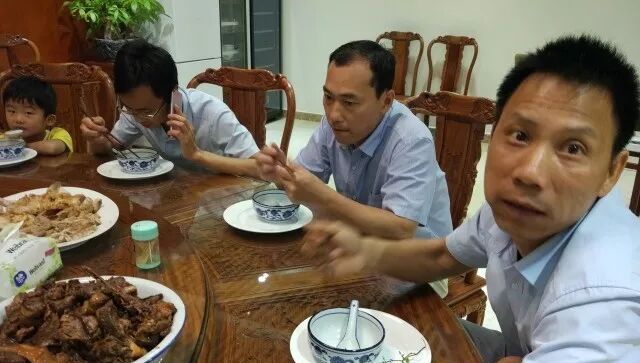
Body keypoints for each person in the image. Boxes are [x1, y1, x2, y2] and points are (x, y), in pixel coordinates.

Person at [303, 35, 640, 363]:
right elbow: (440, 256)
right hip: (519, 361)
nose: (530, 173)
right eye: (520, 135)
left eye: (572, 148)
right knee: (382, 339)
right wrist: (366, 250)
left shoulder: (602, 292)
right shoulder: (508, 215)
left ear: (612, 171)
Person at [255, 40, 452, 241]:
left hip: (415, 254)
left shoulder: (411, 140)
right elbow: (302, 184)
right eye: (328, 97)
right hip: (359, 240)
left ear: (386, 101)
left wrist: (323, 195)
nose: (334, 115)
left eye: (349, 102)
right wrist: (280, 173)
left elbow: (401, 229)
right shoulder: (332, 126)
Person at [80, 39, 260, 176]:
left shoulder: (211, 113)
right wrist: (96, 140)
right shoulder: (135, 109)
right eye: (128, 108)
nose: (139, 118)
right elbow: (112, 148)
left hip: (221, 195)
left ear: (174, 94)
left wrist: (197, 154)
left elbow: (260, 167)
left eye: (147, 111)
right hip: (176, 193)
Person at [3, 76, 73, 155]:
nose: (18, 119)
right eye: (12, 111)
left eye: (28, 112)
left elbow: (52, 148)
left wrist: (20, 148)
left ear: (49, 120)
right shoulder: (5, 139)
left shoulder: (57, 134)